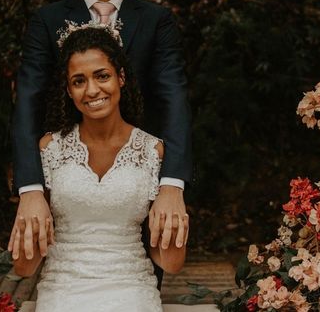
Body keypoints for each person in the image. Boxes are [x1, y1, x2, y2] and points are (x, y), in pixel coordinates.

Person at [9, 0, 193, 263]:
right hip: (64, 188)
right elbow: (27, 103)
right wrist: (30, 188)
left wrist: (171, 183)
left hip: (139, 187)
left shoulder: (158, 21)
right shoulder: (47, 21)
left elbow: (174, 99)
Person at [11, 25, 188, 310]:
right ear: (68, 91)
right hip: (64, 288)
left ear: (121, 77)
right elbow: (24, 267)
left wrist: (175, 225)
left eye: (102, 76)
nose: (92, 90)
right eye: (79, 81)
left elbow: (171, 262)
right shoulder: (49, 149)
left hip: (131, 287)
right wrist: (25, 230)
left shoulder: (153, 151)